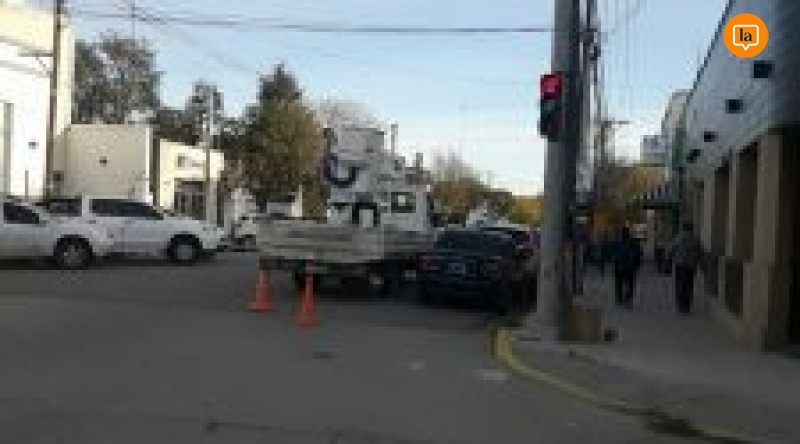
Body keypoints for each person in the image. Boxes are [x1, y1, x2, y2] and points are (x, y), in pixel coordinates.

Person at [669, 223, 704, 314]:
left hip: (680, 265)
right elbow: (700, 253)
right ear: (691, 229)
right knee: (689, 285)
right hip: (690, 266)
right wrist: (700, 264)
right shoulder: (695, 240)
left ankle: (680, 304)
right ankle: (687, 305)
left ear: (683, 229)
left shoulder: (678, 238)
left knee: (680, 284)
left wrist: (672, 258)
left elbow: (671, 250)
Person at [610, 227, 643, 308]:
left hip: (619, 266)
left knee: (619, 283)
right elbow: (639, 253)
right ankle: (627, 298)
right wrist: (637, 265)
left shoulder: (617, 242)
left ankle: (619, 298)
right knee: (630, 283)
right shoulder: (633, 242)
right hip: (630, 266)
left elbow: (613, 254)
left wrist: (614, 264)